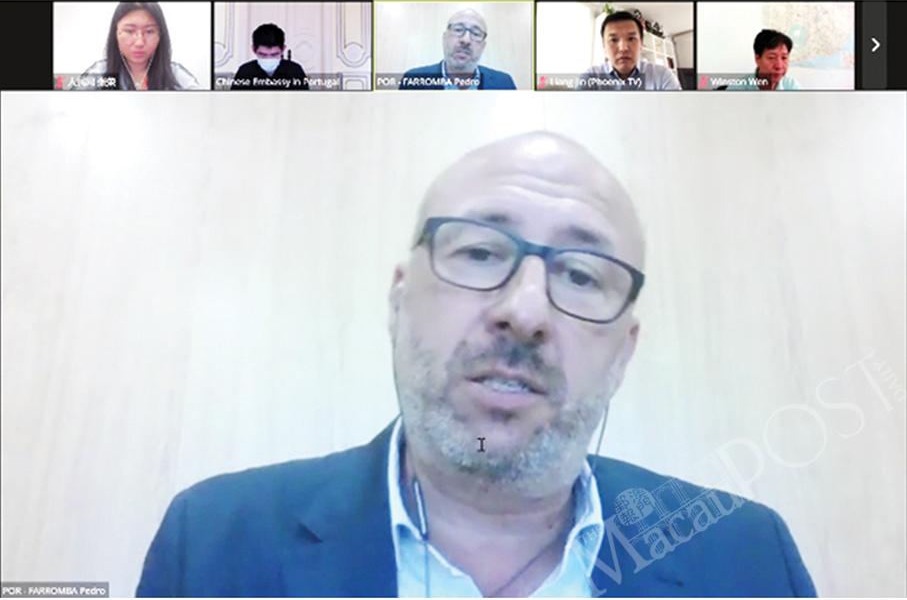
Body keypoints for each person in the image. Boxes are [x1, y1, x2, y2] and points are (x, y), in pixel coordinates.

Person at [136, 132, 816, 597]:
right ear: (399, 299)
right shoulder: (216, 543)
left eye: (581, 274)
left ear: (623, 351)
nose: (525, 311)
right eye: (481, 253)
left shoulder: (747, 558)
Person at [80, 2, 202, 90]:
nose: (139, 42)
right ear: (116, 33)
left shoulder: (175, 75)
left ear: (160, 35)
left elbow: (205, 107)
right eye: (129, 31)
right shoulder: (100, 72)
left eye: (149, 31)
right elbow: (72, 107)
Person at [399, 9, 516, 90]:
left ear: (483, 46)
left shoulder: (505, 83)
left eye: (476, 33)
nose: (466, 40)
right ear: (445, 38)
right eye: (458, 30)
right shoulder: (413, 80)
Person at [577, 11, 681, 91]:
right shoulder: (591, 77)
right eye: (614, 40)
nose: (623, 48)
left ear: (641, 44)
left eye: (631, 39)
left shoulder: (662, 76)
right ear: (604, 46)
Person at [230, 23, 309, 90]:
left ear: (283, 49)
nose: (269, 59)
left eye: (274, 54)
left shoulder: (295, 71)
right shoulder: (245, 72)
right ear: (254, 49)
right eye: (263, 54)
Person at [726, 29, 803, 91]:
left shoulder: (791, 86)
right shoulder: (737, 89)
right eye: (771, 58)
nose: (779, 66)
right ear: (758, 59)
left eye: (784, 58)